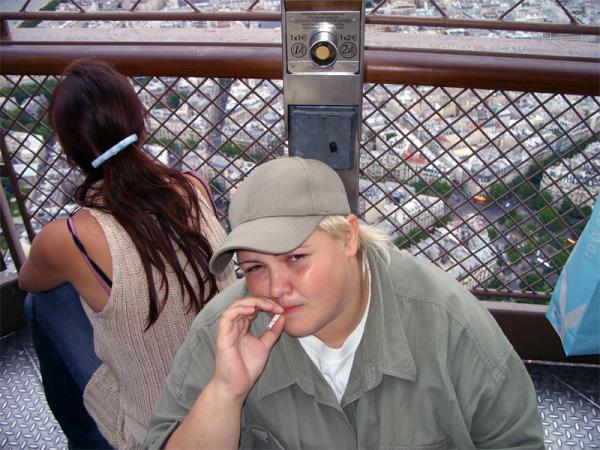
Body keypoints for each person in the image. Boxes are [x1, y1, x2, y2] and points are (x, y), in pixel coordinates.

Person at [145, 157, 544, 449]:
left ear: (349, 237)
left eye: (295, 258)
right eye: (254, 267)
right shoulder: (226, 331)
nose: (275, 287)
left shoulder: (451, 326)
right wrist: (225, 393)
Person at [18, 60, 236, 449]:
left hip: (156, 432)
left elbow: (27, 279)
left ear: (67, 151)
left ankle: (84, 439)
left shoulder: (69, 237)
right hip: (236, 391)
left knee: (41, 302)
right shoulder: (194, 187)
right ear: (141, 124)